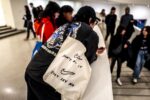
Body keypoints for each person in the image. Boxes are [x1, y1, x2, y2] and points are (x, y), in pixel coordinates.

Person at [25, 5, 99, 100]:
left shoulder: (65, 25)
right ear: (90, 19)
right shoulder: (90, 33)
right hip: (47, 80)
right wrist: (95, 53)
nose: (94, 25)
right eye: (94, 22)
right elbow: (89, 59)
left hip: (31, 69)